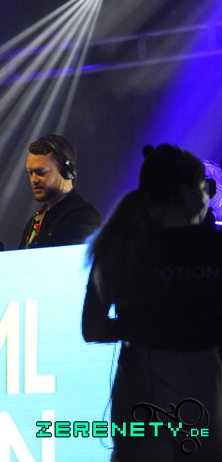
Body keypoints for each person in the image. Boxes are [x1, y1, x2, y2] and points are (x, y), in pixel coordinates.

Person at [82, 144, 222, 461]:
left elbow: (92, 329)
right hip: (202, 386)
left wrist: (142, 325)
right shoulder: (215, 248)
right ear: (186, 193)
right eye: (204, 189)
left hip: (137, 385)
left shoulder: (117, 245)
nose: (207, 198)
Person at [18, 134, 102, 248]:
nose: (33, 180)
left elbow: (47, 256)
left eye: (41, 172)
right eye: (30, 172)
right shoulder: (37, 219)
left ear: (66, 171)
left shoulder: (84, 216)